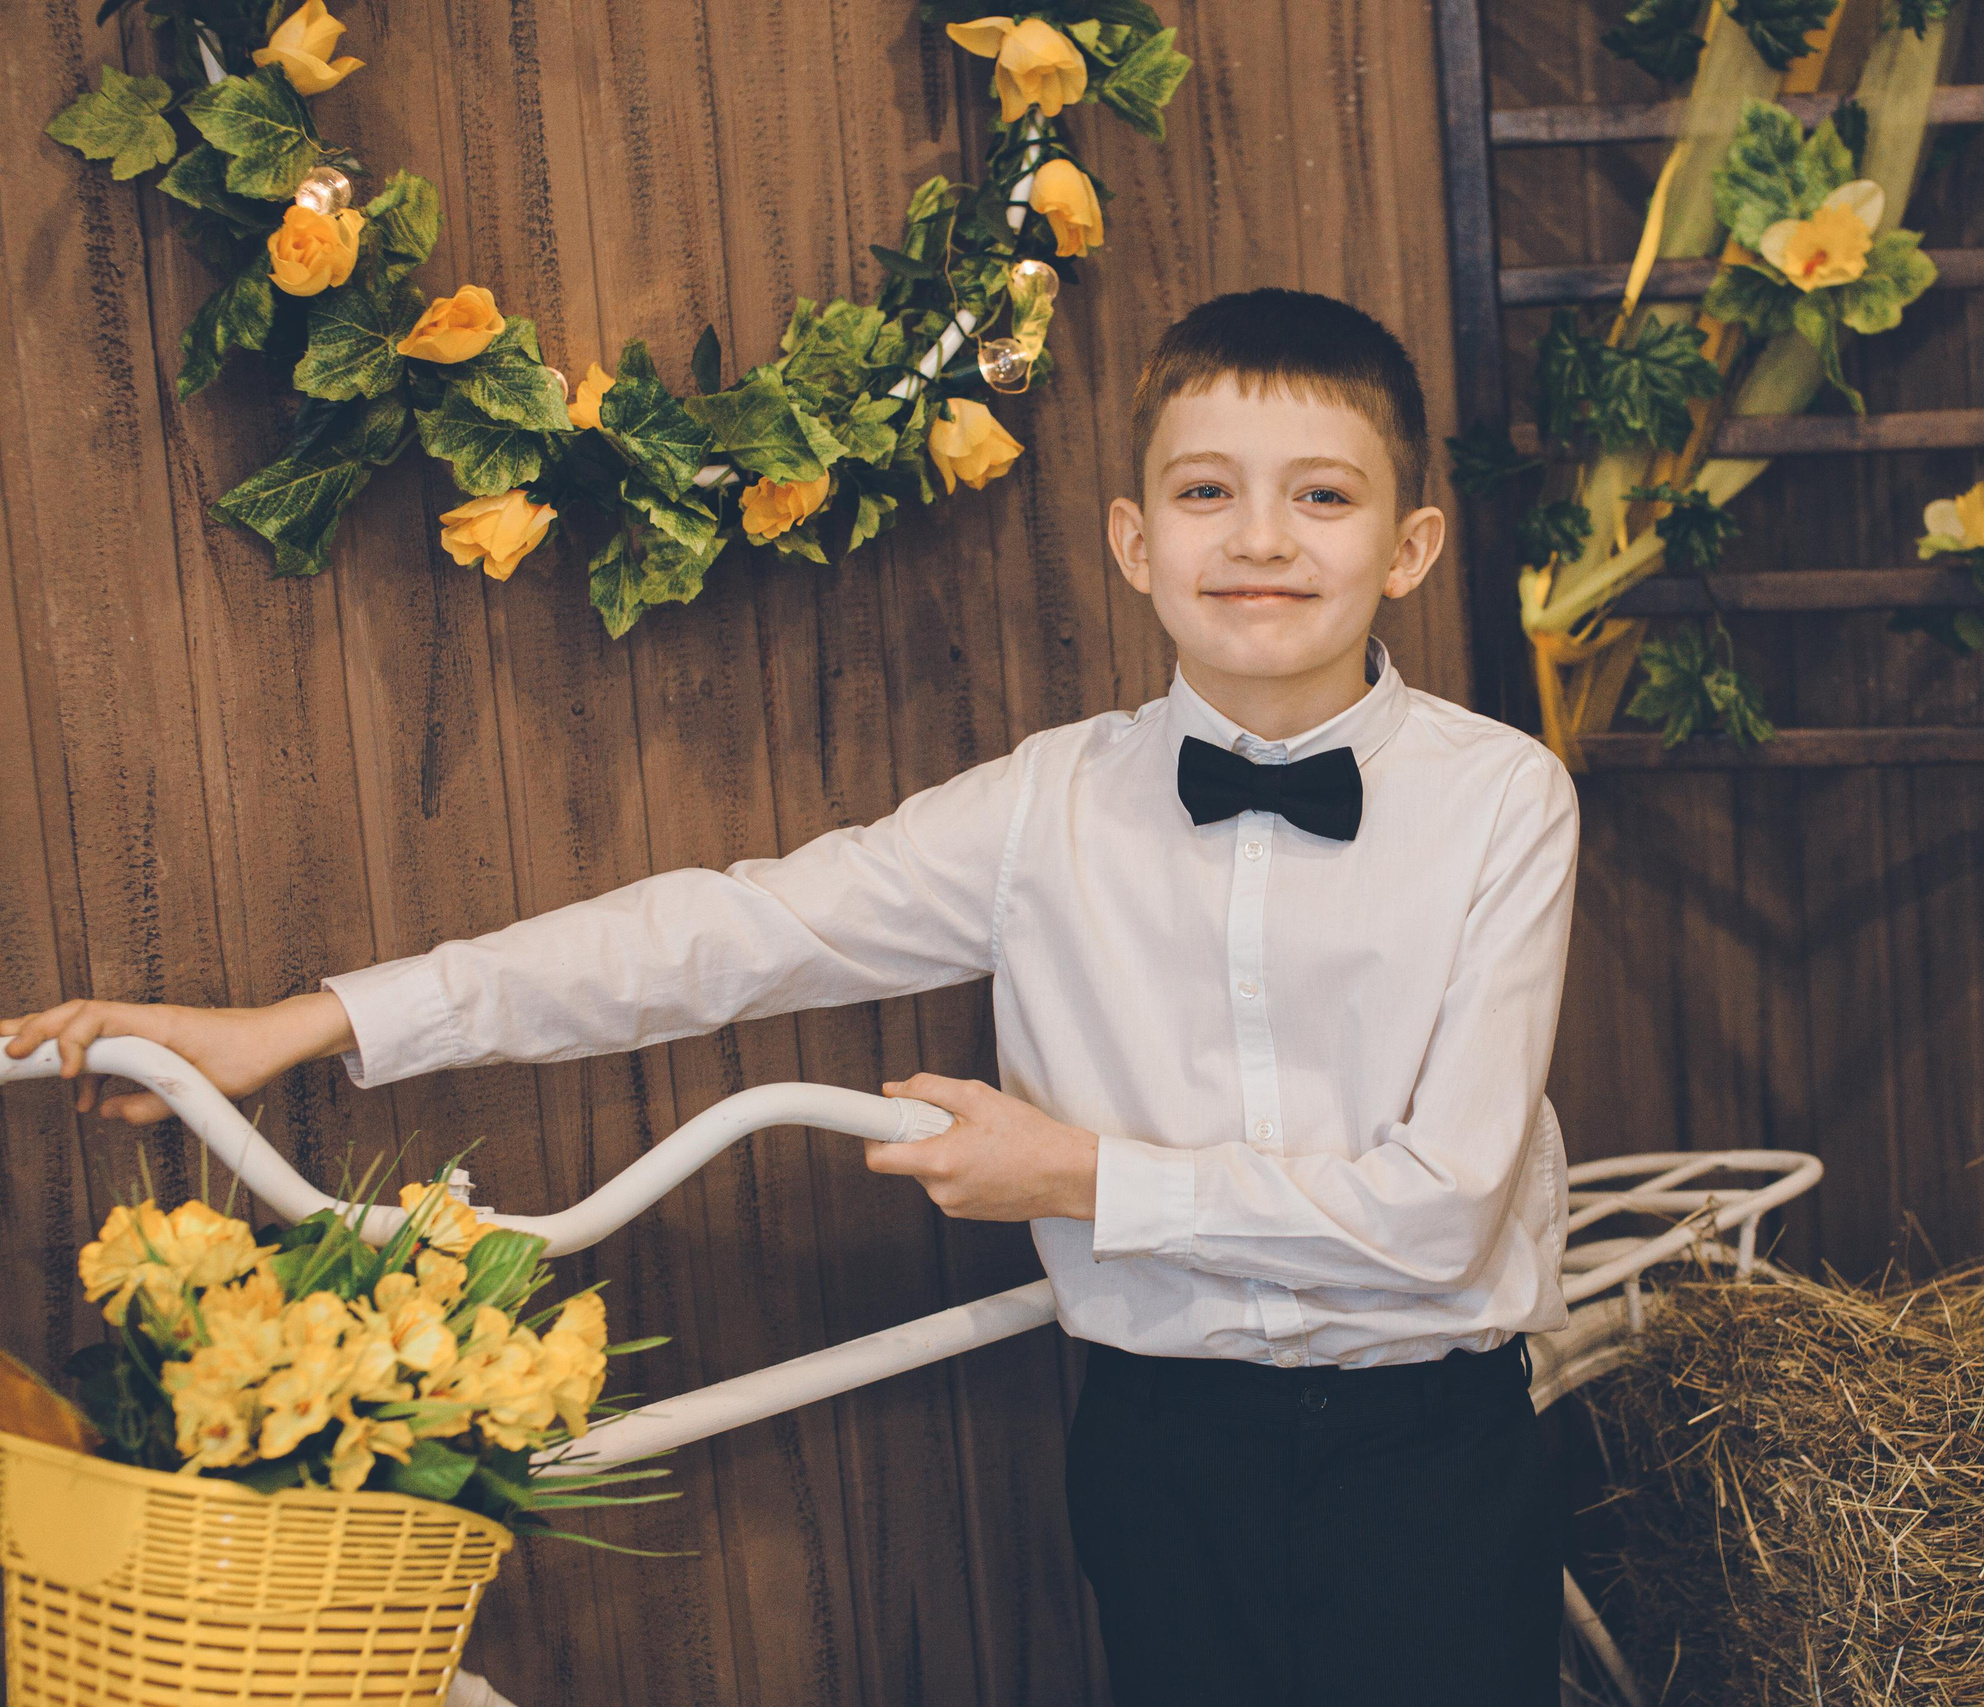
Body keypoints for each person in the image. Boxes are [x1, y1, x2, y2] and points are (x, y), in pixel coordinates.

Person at [3, 287, 1579, 1706]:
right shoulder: (1043, 807)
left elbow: (1440, 1214)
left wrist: (1078, 1177)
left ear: (1410, 545)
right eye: (1204, 494)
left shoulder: (1503, 801)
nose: (1259, 540)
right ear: (1131, 540)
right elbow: (720, 934)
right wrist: (305, 1023)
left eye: (1321, 498)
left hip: (1434, 1448)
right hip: (1159, 1442)